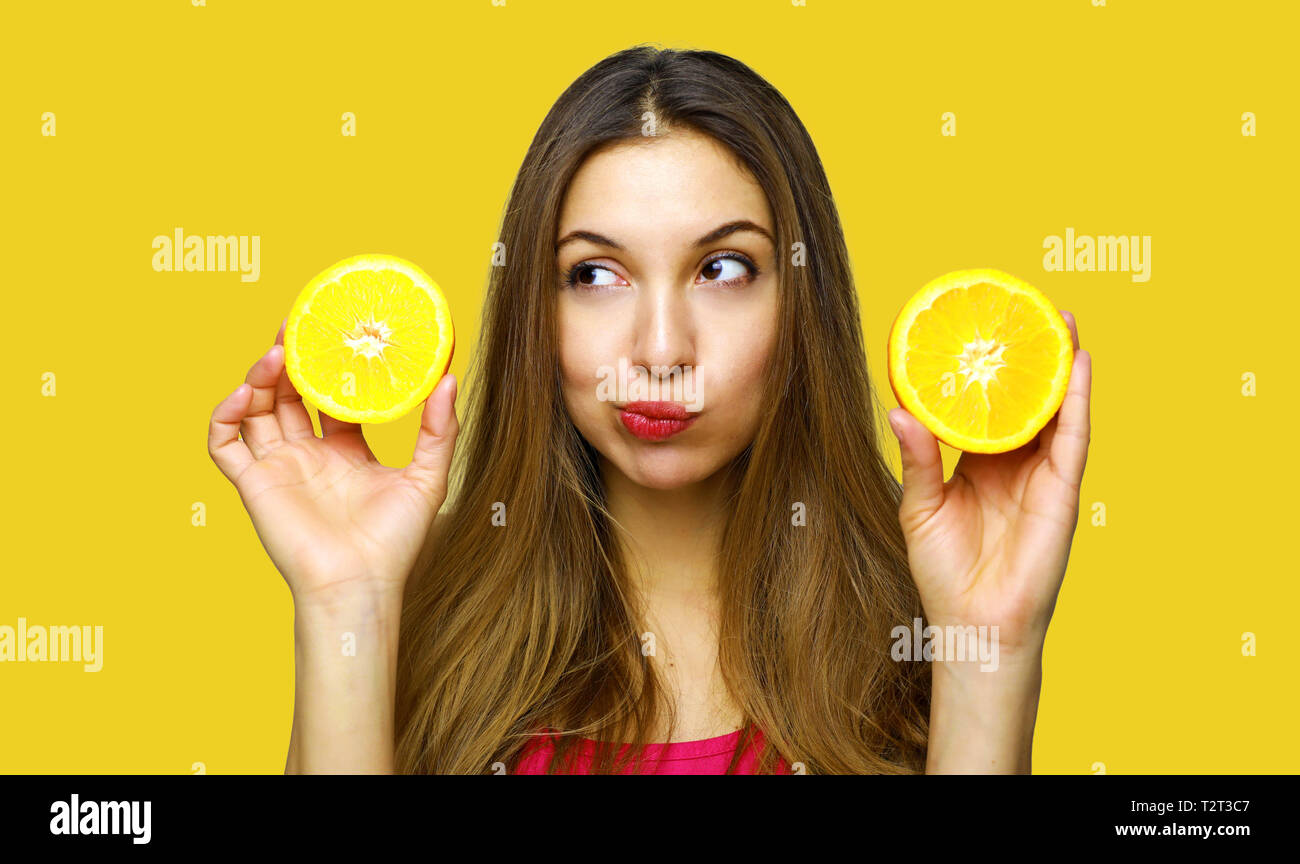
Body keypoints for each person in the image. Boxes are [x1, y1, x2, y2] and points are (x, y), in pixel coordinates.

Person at [207, 45, 1092, 774]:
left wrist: (990, 648)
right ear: (535, 313)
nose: (661, 351)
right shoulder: (414, 623)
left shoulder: (921, 627)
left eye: (722, 269)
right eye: (594, 275)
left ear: (801, 305)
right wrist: (345, 604)